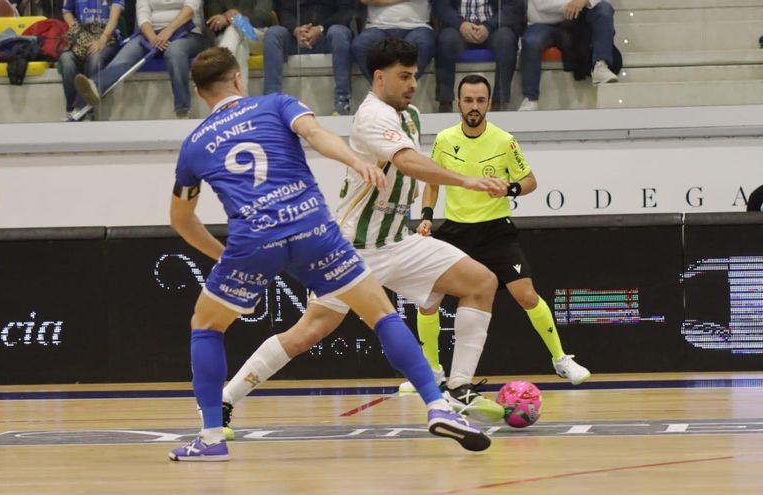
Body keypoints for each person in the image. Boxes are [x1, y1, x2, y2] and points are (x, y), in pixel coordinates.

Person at [167, 47, 492, 461]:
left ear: (198, 93)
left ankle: (212, 436)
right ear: (237, 80)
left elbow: (181, 218)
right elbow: (318, 136)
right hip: (314, 228)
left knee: (206, 326)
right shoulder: (277, 103)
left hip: (253, 241)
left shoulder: (195, 144)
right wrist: (357, 161)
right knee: (381, 314)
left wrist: (222, 256)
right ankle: (437, 404)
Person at [410, 74, 591, 392]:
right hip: (455, 231)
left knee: (528, 296)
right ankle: (431, 373)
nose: (474, 106)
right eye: (468, 100)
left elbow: (531, 181)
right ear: (458, 103)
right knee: (428, 302)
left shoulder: (504, 140)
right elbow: (432, 182)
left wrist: (509, 188)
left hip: (496, 232)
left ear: (489, 104)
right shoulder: (443, 139)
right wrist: (426, 216)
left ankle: (561, 359)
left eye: (480, 101)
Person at [74, 0, 210, 118]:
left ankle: (183, 109)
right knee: (125, 56)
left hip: (187, 33)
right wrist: (152, 37)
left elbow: (191, 9)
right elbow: (143, 15)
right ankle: (94, 87)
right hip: (150, 34)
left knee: (174, 53)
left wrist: (169, 30)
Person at [519, 0, 619, 111]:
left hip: (576, 19)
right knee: (531, 41)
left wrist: (583, 1)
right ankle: (530, 98)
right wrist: (573, 4)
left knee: (604, 8)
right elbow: (541, 4)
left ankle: (601, 65)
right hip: (544, 22)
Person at [263, 0, 355, 115]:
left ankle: (342, 102)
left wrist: (320, 29)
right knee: (273, 34)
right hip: (295, 37)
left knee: (339, 32)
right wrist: (296, 29)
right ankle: (271, 102)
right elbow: (283, 10)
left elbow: (346, 11)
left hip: (327, 36)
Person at [431, 0, 525, 113]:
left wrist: (488, 26)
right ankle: (445, 102)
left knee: (506, 40)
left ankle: (499, 101)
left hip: (493, 27)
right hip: (458, 28)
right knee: (446, 40)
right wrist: (461, 24)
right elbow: (441, 6)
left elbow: (513, 7)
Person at [59, 0, 124, 117]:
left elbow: (114, 18)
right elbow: (67, 11)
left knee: (95, 57)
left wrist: (103, 39)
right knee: (66, 59)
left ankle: (85, 109)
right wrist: (78, 32)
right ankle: (71, 109)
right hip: (82, 35)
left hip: (107, 38)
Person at [352, 1, 435, 84]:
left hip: (418, 26)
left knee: (424, 43)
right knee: (360, 45)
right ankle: (381, 88)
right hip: (378, 26)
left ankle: (405, 87)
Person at [205, 0, 272, 92]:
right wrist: (228, 17)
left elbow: (262, 18)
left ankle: (220, 68)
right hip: (231, 38)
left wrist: (235, 19)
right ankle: (241, 98)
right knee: (239, 44)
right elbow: (212, 17)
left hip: (257, 35)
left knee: (235, 29)